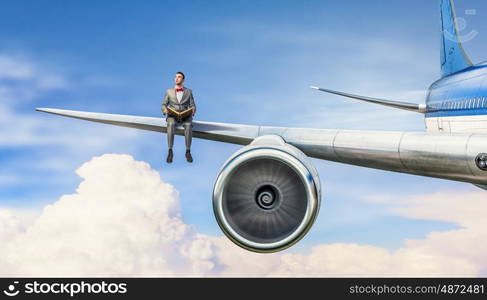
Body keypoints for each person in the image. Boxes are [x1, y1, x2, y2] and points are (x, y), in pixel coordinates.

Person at [161, 71, 196, 163]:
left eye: (179, 77)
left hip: (185, 115)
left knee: (188, 126)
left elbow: (193, 105)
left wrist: (193, 110)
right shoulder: (168, 91)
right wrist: (165, 110)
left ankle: (188, 151)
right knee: (171, 124)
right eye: (175, 77)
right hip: (173, 115)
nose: (176, 78)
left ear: (183, 80)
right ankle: (170, 151)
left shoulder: (189, 91)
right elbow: (164, 104)